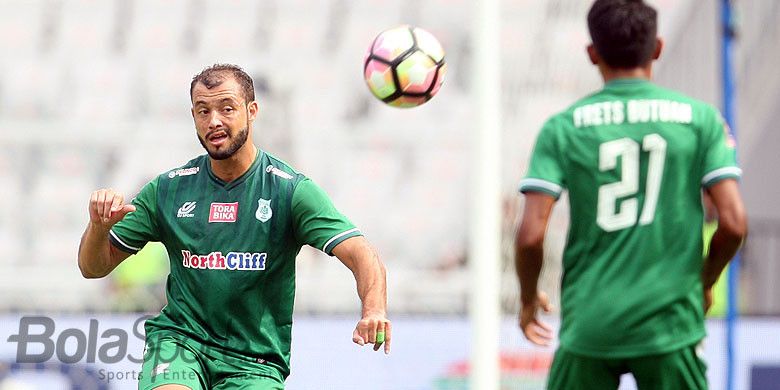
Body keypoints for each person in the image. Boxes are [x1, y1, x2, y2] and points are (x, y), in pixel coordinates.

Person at [78, 64, 391, 390]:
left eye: (226, 108)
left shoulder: (289, 191)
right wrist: (98, 228)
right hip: (182, 343)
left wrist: (374, 309)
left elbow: (360, 251)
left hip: (254, 360)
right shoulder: (168, 190)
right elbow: (93, 268)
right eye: (203, 111)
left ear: (252, 110)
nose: (213, 120)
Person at [514, 1, 747, 389]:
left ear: (592, 54)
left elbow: (530, 235)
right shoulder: (700, 120)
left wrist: (526, 299)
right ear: (657, 47)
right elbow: (735, 224)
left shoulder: (563, 128)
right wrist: (703, 282)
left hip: (591, 323)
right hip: (669, 323)